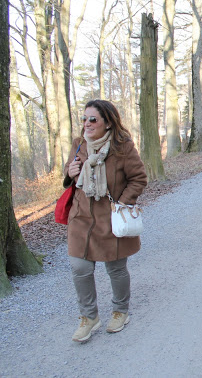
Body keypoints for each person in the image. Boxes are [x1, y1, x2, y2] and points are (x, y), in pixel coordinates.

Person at [63, 100, 147, 343]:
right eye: (84, 119)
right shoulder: (79, 144)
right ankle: (89, 317)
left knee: (116, 268)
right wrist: (70, 173)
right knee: (80, 268)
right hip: (81, 218)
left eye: (93, 119)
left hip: (110, 219)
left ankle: (121, 311)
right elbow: (68, 176)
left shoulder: (122, 147)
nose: (87, 124)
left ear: (108, 122)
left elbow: (139, 178)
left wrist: (121, 204)